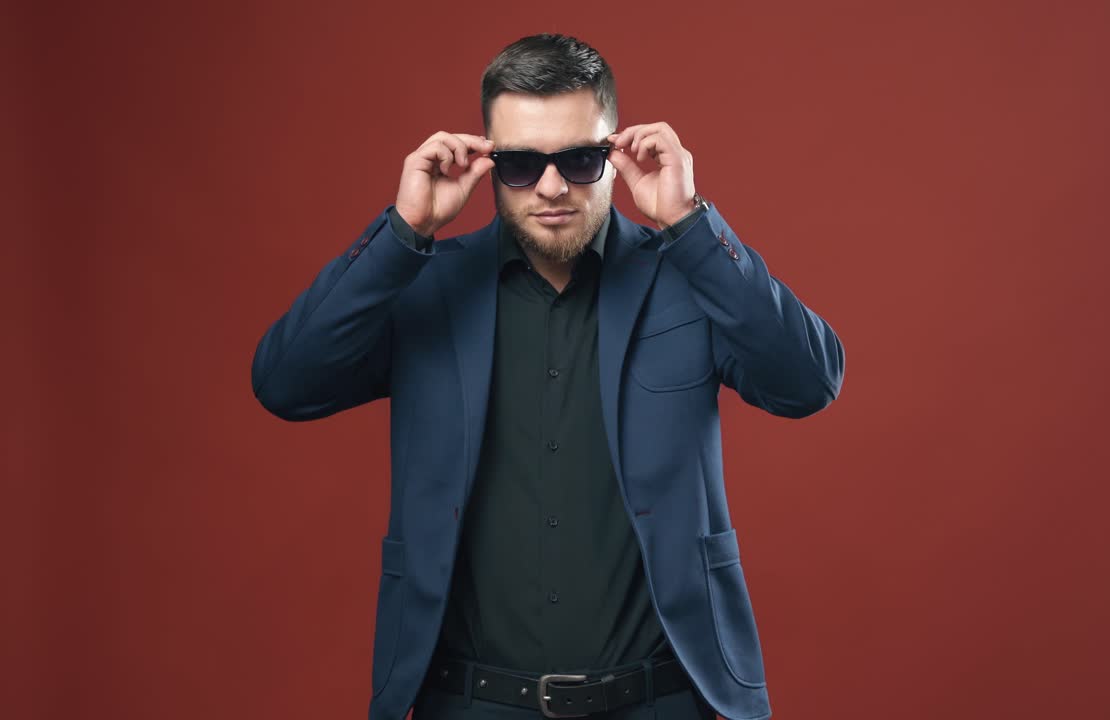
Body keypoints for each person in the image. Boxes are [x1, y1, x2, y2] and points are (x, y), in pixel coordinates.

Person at [251, 33, 844, 720]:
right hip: (469, 702)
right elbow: (286, 384)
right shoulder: (425, 286)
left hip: (662, 700)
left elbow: (807, 382)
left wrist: (687, 221)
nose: (553, 186)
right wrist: (404, 230)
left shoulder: (686, 278)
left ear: (617, 154)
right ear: (488, 161)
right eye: (522, 165)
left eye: (581, 159)